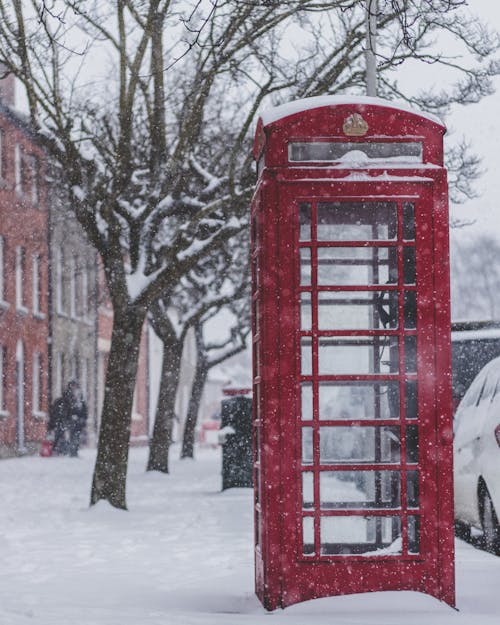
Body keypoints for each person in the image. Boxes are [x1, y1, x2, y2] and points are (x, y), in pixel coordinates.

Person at [47, 381, 88, 457]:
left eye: (75, 387)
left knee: (73, 438)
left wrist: (81, 420)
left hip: (74, 424)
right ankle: (61, 451)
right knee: (62, 436)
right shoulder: (63, 401)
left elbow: (83, 413)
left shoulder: (79, 401)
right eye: (73, 387)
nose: (74, 390)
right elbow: (56, 412)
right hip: (64, 422)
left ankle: (71, 452)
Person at [64, 380, 88, 457]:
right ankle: (71, 451)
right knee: (71, 435)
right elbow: (67, 408)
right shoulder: (68, 395)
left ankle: (75, 451)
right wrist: (70, 416)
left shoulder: (80, 396)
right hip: (71, 419)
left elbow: (84, 407)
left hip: (78, 420)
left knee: (77, 436)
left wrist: (83, 417)